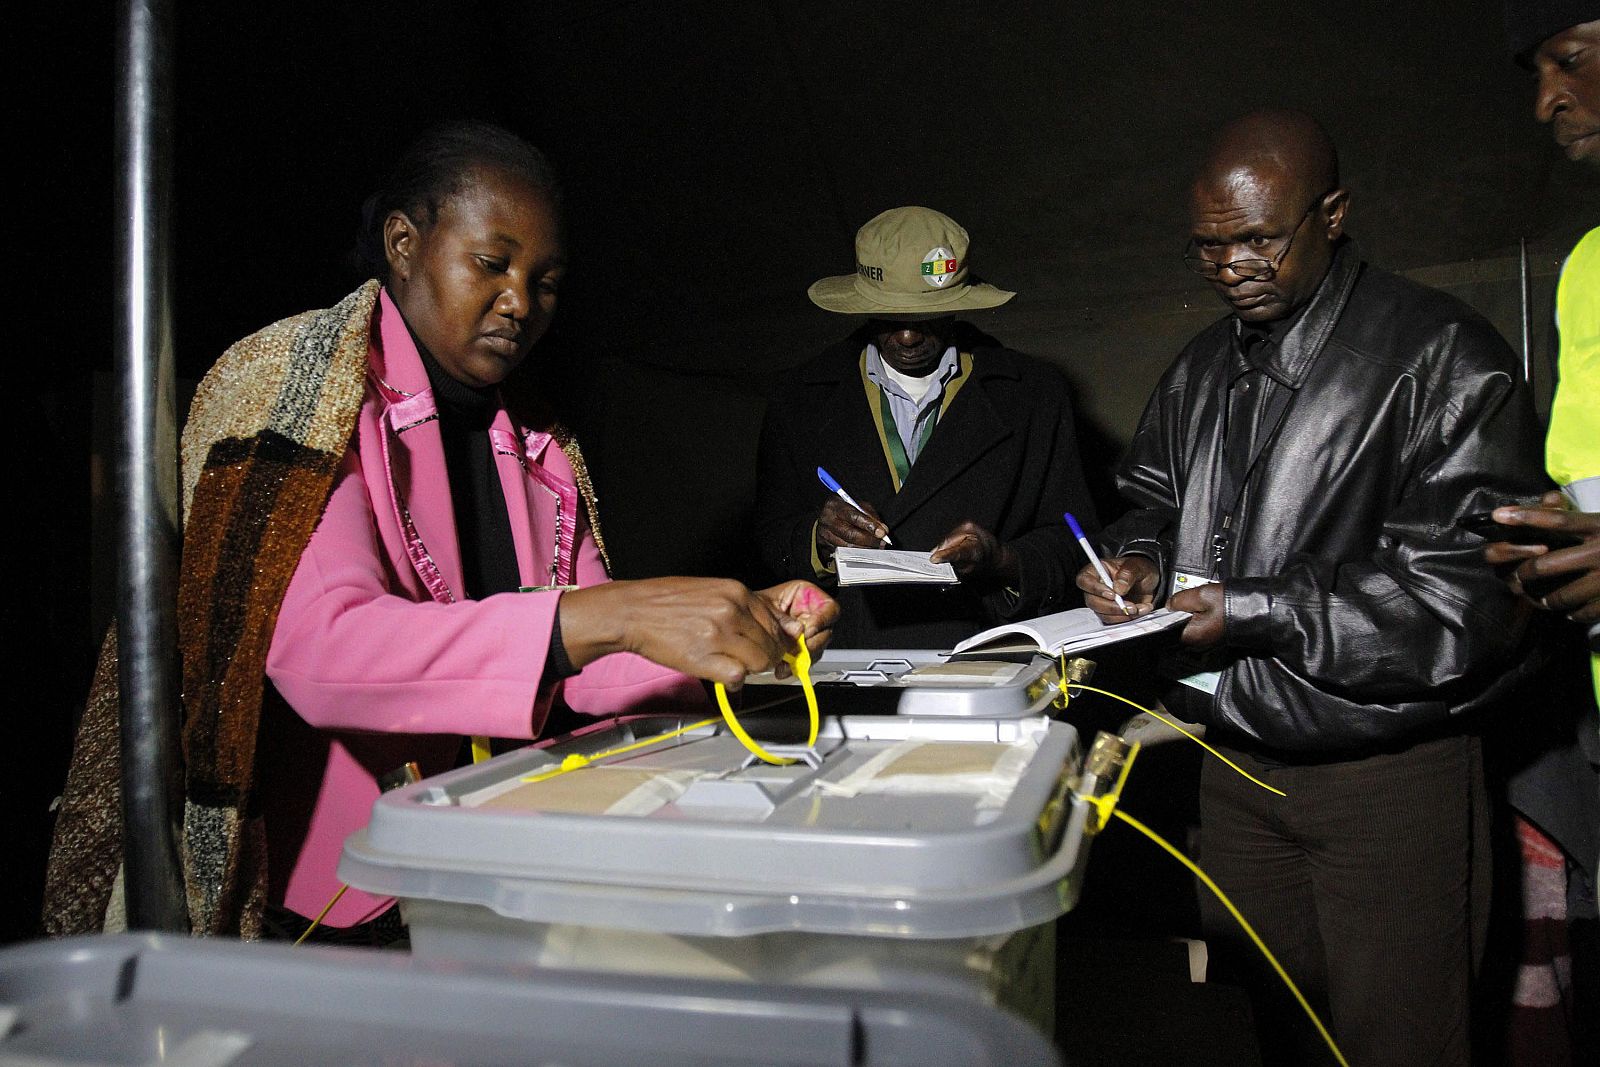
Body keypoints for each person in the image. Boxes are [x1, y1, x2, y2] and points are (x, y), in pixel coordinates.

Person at [44, 122, 836, 941]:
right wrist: (616, 614)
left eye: (547, 281)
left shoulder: (536, 442)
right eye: (491, 265)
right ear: (403, 242)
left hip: (474, 865)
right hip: (333, 898)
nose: (521, 301)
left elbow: (583, 671)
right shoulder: (302, 389)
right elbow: (324, 652)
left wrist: (732, 627)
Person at [1076, 110, 1547, 1066]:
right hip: (1237, 767)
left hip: (1386, 777)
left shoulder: (1443, 353)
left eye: (1257, 238)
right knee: (1279, 1032)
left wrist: (1256, 608)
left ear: (1333, 214)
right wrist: (1138, 565)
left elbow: (1473, 601)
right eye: (1209, 246)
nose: (1231, 265)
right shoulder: (1204, 363)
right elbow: (1148, 507)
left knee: (1403, 1042)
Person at [755, 206, 1099, 648]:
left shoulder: (1034, 394)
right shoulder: (799, 396)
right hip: (845, 657)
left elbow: (1077, 540)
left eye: (926, 318)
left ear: (958, 307)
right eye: (888, 318)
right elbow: (768, 535)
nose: (908, 338)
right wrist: (818, 539)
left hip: (983, 648)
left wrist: (1002, 560)